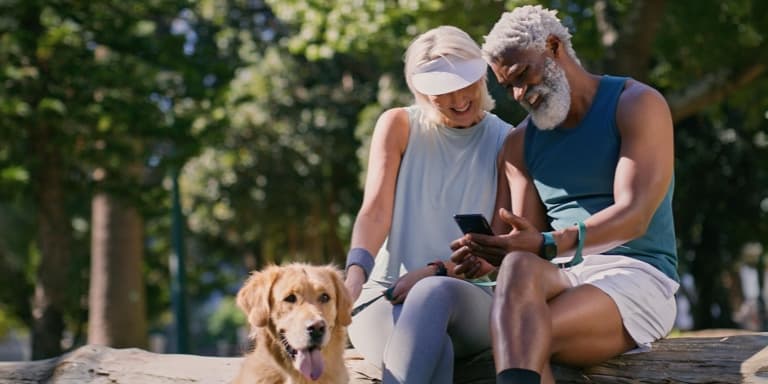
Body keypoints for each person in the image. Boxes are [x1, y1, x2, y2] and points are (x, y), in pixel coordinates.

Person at [449, 5, 680, 384]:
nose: (520, 94)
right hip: (563, 276)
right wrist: (489, 257)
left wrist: (546, 244)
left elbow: (634, 217)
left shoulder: (636, 103)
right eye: (508, 87)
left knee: (526, 335)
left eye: (523, 75)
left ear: (554, 46)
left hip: (636, 275)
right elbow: (523, 245)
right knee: (518, 268)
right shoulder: (519, 144)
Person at [343, 25, 512, 383]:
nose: (457, 98)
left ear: (481, 75)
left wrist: (435, 272)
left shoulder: (508, 141)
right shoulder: (398, 125)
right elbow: (374, 211)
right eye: (441, 90)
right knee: (436, 350)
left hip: (469, 299)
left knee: (433, 294)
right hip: (387, 296)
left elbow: (495, 249)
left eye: (464, 84)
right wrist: (354, 277)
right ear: (420, 91)